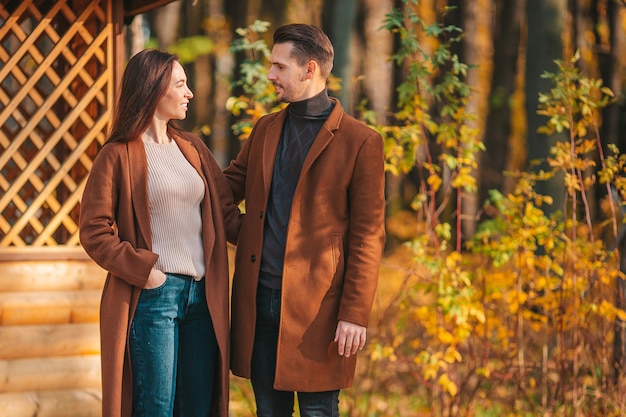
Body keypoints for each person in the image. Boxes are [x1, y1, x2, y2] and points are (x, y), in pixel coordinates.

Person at [224, 23, 386, 417]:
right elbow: (225, 190)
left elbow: (368, 236)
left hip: (321, 313)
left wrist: (354, 314)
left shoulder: (361, 141)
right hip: (259, 302)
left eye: (279, 66)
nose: (270, 75)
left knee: (318, 412)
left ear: (309, 69)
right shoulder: (265, 129)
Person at [79, 49, 240, 417]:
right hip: (155, 297)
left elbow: (227, 215)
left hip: (203, 297)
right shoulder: (118, 154)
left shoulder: (193, 147)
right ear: (154, 89)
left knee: (197, 406)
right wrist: (146, 273)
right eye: (181, 84)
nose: (190, 93)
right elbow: (94, 230)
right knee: (155, 407)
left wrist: (285, 239)